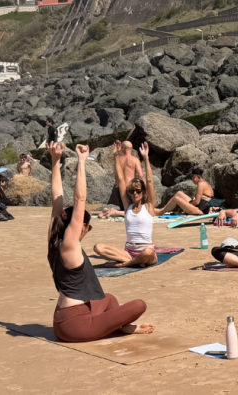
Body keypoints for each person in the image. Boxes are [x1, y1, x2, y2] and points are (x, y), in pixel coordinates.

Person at [46, 141, 154, 342]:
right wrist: (82, 161)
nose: (86, 230)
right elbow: (79, 199)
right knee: (139, 305)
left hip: (61, 319)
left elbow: (56, 199)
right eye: (87, 227)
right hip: (77, 326)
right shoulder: (69, 244)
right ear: (81, 227)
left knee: (109, 298)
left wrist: (55, 160)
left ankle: (121, 327)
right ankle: (124, 328)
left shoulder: (54, 237)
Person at [94, 141, 173, 268]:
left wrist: (146, 158)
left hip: (146, 253)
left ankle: (125, 264)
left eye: (138, 191)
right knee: (98, 248)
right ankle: (133, 262)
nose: (135, 193)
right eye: (132, 191)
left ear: (143, 192)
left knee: (147, 252)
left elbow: (149, 180)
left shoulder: (148, 207)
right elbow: (120, 179)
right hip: (128, 252)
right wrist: (115, 156)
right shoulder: (128, 207)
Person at [110, 141, 143, 209]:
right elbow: (140, 175)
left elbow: (116, 175)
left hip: (119, 189)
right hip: (130, 188)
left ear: (123, 149)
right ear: (131, 149)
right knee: (131, 209)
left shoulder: (118, 160)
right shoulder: (135, 160)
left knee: (121, 209)